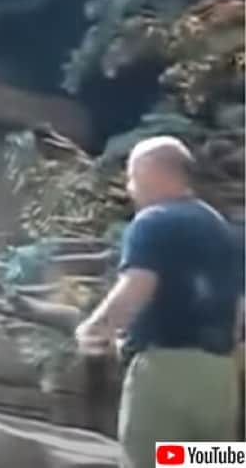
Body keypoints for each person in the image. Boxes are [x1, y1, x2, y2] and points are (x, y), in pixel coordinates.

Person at [75, 135, 244, 467]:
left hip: (163, 372)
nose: (129, 188)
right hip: (220, 377)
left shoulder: (153, 221)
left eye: (131, 177)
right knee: (206, 461)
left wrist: (94, 329)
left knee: (151, 460)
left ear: (150, 171)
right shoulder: (225, 231)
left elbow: (137, 286)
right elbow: (239, 309)